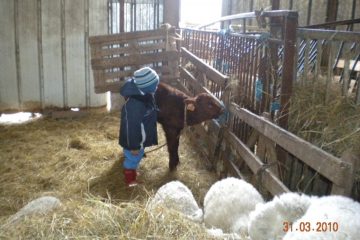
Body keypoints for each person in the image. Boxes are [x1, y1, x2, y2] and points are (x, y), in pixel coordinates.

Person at [119, 67, 159, 187]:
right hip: (134, 140)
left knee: (135, 157)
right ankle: (130, 180)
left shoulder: (143, 94)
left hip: (139, 137)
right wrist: (134, 146)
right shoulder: (135, 104)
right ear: (147, 87)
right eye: (155, 85)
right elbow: (131, 127)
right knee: (132, 159)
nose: (157, 87)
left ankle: (132, 172)